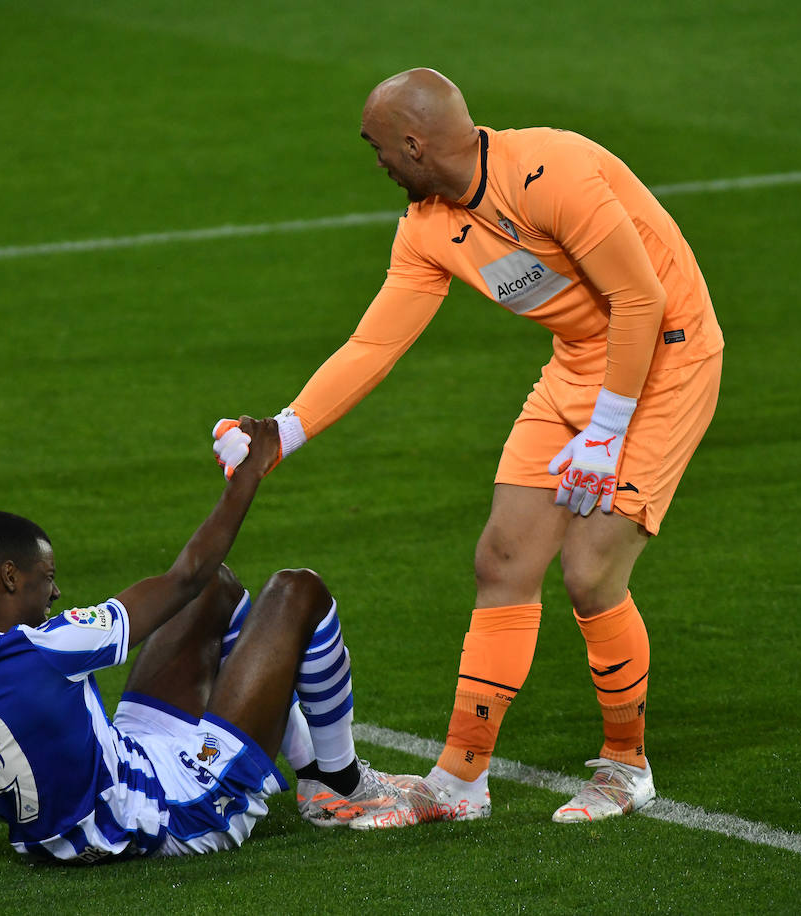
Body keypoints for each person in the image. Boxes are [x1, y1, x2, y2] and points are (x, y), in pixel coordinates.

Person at [213, 68, 723, 827]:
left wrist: (607, 432)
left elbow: (641, 300)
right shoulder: (428, 225)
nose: (376, 161)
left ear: (415, 144)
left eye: (378, 146)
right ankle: (459, 780)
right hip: (584, 361)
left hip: (667, 357)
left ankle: (625, 764)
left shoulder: (554, 171)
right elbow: (373, 344)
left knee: (589, 570)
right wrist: (280, 434)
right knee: (504, 560)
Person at [0, 418, 415, 862]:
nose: (55, 591)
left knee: (214, 588)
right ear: (10, 577)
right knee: (297, 590)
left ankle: (310, 772)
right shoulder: (45, 650)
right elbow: (183, 575)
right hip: (173, 813)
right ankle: (345, 784)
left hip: (108, 788)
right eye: (46, 577)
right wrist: (250, 473)